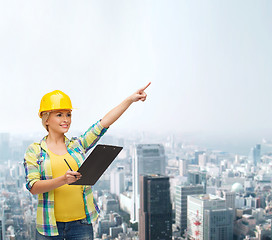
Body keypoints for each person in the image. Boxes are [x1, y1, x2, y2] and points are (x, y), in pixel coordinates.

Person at [23, 82, 151, 240]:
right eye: (59, 115)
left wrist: (130, 100)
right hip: (50, 228)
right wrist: (63, 179)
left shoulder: (78, 145)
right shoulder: (35, 151)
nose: (66, 120)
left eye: (68, 114)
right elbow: (33, 187)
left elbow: (103, 123)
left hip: (81, 225)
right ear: (46, 119)